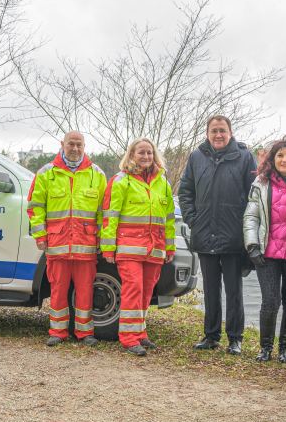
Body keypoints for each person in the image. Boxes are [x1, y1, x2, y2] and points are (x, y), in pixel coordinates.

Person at [178, 115, 257, 355]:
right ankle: (211, 335)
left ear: (230, 132)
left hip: (233, 236)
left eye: (222, 130)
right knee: (211, 290)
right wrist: (193, 219)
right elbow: (185, 192)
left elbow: (254, 196)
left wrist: (246, 229)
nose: (218, 135)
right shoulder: (196, 157)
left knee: (234, 291)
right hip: (204, 234)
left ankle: (235, 338)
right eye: (214, 131)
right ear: (207, 133)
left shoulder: (244, 157)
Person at [27, 131, 107, 346]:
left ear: (84, 146)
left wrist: (102, 238)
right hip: (57, 244)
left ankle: (85, 333)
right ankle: (57, 332)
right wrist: (40, 235)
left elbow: (103, 211)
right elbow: (35, 208)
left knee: (85, 291)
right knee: (58, 290)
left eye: (79, 145)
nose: (75, 148)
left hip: (86, 245)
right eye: (71, 144)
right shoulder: (46, 173)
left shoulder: (96, 174)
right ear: (62, 144)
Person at [100, 138, 176, 356]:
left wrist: (169, 248)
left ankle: (140, 333)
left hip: (154, 248)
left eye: (150, 153)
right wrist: (108, 247)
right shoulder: (121, 181)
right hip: (129, 248)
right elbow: (110, 217)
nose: (146, 157)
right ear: (131, 155)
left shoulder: (163, 182)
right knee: (133, 289)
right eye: (141, 152)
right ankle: (129, 338)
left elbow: (169, 219)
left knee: (146, 292)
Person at [242, 138, 286, 363]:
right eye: (280, 155)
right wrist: (252, 245)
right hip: (267, 254)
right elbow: (251, 216)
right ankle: (265, 348)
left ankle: (285, 349)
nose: (284, 160)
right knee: (270, 301)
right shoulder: (260, 184)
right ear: (273, 159)